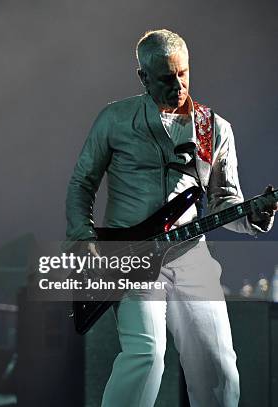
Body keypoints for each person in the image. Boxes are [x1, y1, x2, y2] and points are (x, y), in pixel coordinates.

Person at [66, 29, 277, 406]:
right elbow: (82, 183)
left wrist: (256, 215)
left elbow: (224, 201)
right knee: (145, 355)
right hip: (130, 254)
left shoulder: (213, 128)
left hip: (190, 254)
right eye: (166, 77)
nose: (178, 84)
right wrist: (85, 238)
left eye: (183, 73)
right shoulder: (115, 119)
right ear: (143, 77)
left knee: (219, 364)